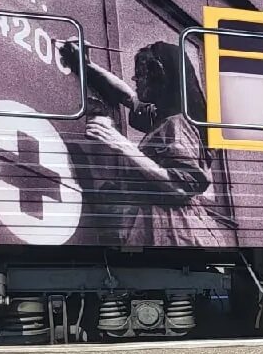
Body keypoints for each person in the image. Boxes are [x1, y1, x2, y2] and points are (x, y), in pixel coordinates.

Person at [63, 38, 234, 247]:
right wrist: (88, 65)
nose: (136, 79)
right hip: (179, 231)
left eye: (141, 74)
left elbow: (181, 189)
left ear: (158, 76)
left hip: (173, 234)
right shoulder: (169, 117)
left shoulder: (176, 124)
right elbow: (129, 97)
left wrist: (120, 143)